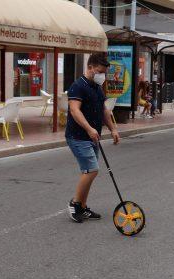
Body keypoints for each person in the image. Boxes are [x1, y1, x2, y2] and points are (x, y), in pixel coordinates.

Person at [66, 53, 120, 223]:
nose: (102, 76)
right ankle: (75, 204)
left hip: (92, 136)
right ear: (90, 67)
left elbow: (104, 110)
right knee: (91, 170)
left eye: (103, 73)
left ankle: (82, 205)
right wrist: (89, 129)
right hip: (78, 136)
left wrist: (113, 129)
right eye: (99, 71)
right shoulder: (77, 86)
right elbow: (75, 110)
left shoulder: (96, 87)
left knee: (89, 170)